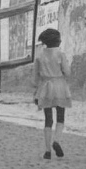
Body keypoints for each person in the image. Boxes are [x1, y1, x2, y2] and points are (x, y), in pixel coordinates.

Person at [33, 28, 72, 160]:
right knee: (60, 116)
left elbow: (35, 77)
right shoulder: (61, 54)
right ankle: (57, 140)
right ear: (56, 41)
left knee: (48, 119)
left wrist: (36, 92)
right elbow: (67, 72)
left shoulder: (39, 56)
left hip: (45, 88)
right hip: (60, 86)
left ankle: (47, 151)